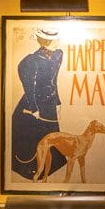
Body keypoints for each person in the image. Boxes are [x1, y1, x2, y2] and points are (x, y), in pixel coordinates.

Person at [11, 25, 64, 173]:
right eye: (54, 39)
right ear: (46, 41)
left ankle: (50, 170)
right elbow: (29, 87)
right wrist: (34, 109)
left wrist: (57, 103)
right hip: (32, 104)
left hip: (49, 104)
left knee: (51, 138)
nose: (58, 41)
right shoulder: (30, 61)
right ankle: (33, 171)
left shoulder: (58, 55)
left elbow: (54, 81)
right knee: (34, 139)